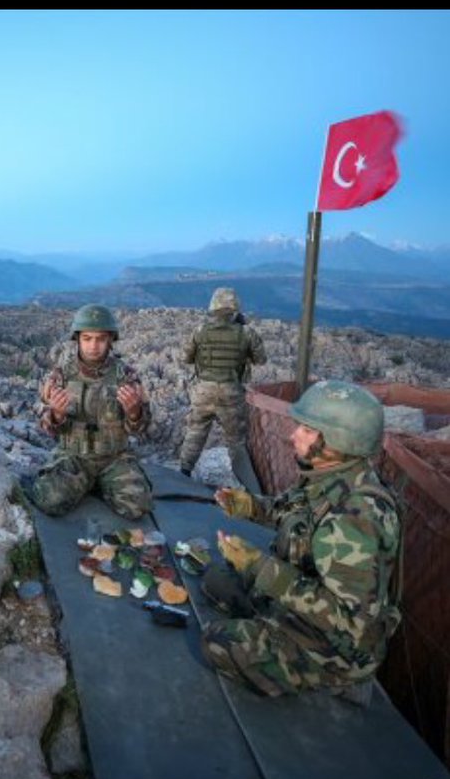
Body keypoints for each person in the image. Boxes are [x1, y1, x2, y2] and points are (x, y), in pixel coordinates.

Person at [200, 380, 402, 701]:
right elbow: (289, 511)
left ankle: (339, 683)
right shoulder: (330, 476)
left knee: (217, 643)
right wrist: (249, 505)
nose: (294, 436)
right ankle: (269, 623)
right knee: (214, 578)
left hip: (334, 649)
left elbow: (352, 624)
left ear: (338, 439)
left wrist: (261, 569)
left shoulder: (355, 518)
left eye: (307, 430)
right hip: (299, 604)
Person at [32, 304, 153, 519]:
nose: (93, 346)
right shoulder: (60, 376)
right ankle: (86, 483)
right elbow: (43, 423)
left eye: (100, 339)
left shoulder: (126, 376)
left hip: (114, 457)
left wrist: (134, 412)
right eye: (87, 338)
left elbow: (141, 428)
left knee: (138, 507)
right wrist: (56, 415)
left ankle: (100, 484)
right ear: (77, 339)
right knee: (48, 500)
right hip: (75, 457)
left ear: (110, 340)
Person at [179, 288, 266, 489]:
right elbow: (261, 359)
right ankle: (252, 490)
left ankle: (183, 473)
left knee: (196, 431)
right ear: (235, 308)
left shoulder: (200, 331)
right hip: (231, 391)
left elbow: (186, 358)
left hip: (204, 390)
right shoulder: (246, 332)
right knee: (236, 442)